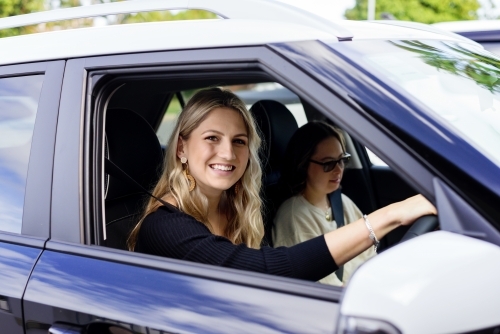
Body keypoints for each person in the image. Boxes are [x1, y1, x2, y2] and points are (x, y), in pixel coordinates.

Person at [127, 87, 436, 283]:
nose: (228, 153)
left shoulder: (232, 207)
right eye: (212, 138)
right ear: (181, 148)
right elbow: (267, 272)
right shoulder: (165, 225)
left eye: (239, 141)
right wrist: (392, 214)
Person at [273, 121, 374, 286]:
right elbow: (323, 286)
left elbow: (369, 252)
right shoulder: (294, 216)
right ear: (303, 164)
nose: (339, 169)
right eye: (328, 163)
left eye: (342, 160)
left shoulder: (342, 202)